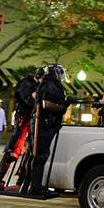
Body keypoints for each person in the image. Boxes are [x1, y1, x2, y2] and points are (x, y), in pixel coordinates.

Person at [21, 64, 74, 195]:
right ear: (55, 73)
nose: (61, 76)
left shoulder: (50, 84)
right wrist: (64, 105)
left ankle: (29, 186)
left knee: (37, 155)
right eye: (60, 73)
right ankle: (35, 188)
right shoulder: (50, 85)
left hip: (44, 123)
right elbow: (47, 104)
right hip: (43, 124)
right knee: (40, 155)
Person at [0, 68, 44, 190]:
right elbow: (29, 100)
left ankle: (23, 179)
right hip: (23, 121)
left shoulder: (35, 85)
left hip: (32, 121)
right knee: (13, 151)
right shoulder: (26, 84)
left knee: (30, 151)